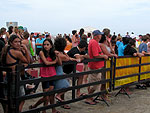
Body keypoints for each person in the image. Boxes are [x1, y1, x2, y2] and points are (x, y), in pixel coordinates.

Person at [29, 39, 60, 113]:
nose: (45, 46)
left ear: (51, 46)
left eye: (47, 44)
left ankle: (52, 110)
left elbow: (59, 63)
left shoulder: (52, 53)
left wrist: (57, 55)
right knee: (46, 96)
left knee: (51, 95)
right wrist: (54, 61)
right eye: (44, 44)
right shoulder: (41, 52)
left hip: (52, 74)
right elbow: (46, 63)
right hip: (45, 75)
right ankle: (36, 107)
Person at [1, 34, 31, 112]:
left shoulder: (7, 51)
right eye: (15, 42)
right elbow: (28, 60)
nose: (18, 44)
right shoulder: (15, 52)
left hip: (8, 78)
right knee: (21, 98)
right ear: (11, 43)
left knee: (10, 101)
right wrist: (25, 49)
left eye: (19, 42)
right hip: (15, 79)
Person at [85, 30, 108, 105]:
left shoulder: (93, 42)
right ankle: (88, 97)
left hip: (95, 65)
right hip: (95, 66)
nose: (101, 36)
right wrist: (104, 56)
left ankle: (90, 97)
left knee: (92, 82)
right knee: (96, 83)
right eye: (100, 35)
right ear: (97, 35)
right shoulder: (94, 42)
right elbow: (95, 55)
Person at [54, 37, 74, 109]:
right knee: (66, 86)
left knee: (63, 86)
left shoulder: (59, 52)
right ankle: (59, 97)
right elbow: (67, 58)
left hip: (58, 71)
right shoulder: (57, 53)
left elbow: (67, 57)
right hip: (57, 72)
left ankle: (61, 101)